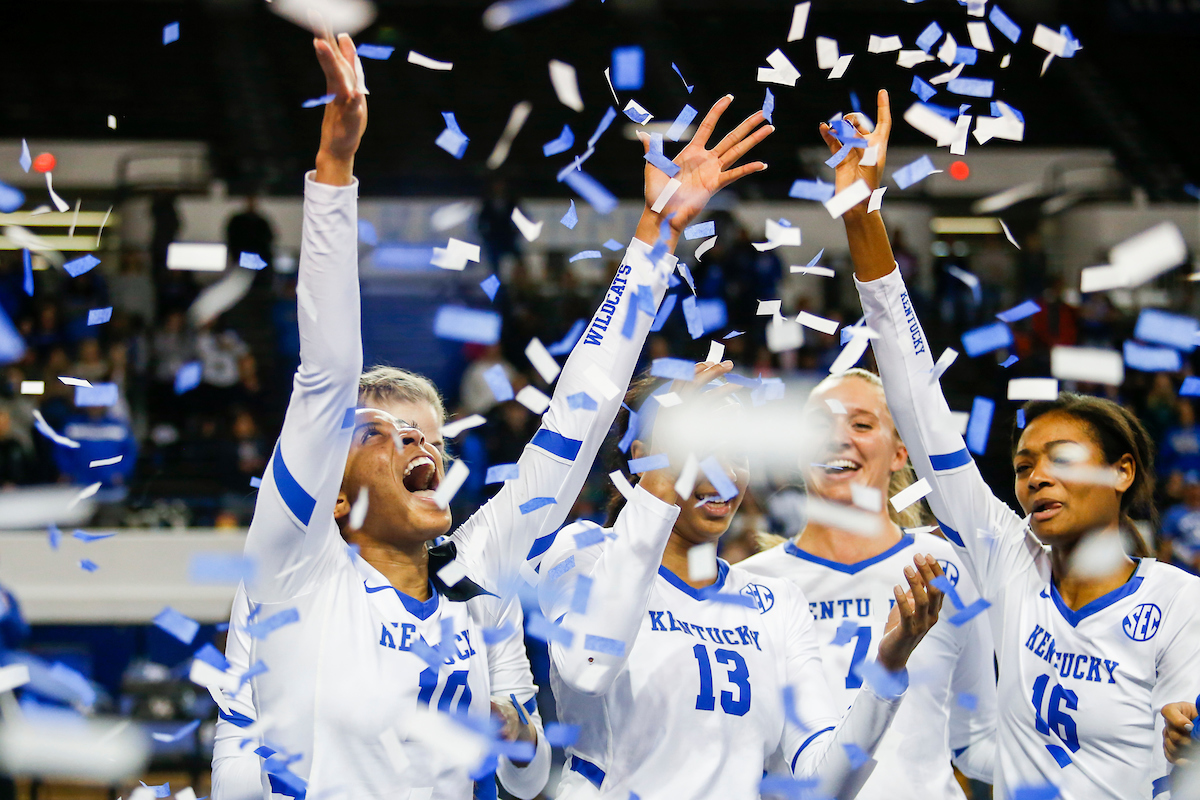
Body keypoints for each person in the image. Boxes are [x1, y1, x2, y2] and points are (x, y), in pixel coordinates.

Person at [214, 30, 775, 800]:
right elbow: (325, 375)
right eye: (384, 434)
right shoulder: (297, 570)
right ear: (333, 496)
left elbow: (574, 424)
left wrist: (657, 238)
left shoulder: (471, 579)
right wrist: (335, 170)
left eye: (427, 435)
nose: (418, 443)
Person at [828, 89, 1200, 799]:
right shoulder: (1009, 560)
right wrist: (862, 216)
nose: (1035, 478)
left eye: (1061, 459)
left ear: (1123, 472)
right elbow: (918, 402)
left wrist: (1188, 746)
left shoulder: (1182, 602)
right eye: (1024, 465)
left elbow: (1184, 742)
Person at [537, 362, 946, 800]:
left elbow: (824, 787)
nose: (727, 475)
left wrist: (888, 667)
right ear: (642, 456)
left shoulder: (776, 602)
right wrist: (662, 475)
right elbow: (589, 666)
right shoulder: (582, 553)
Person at [739, 368, 997, 799]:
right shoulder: (752, 585)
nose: (838, 438)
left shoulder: (946, 569)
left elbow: (975, 740)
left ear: (899, 453)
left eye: (861, 424)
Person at [1159, 472, 1200, 575]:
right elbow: (1166, 545)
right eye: (1191, 488)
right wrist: (1191, 558)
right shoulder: (1173, 513)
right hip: (1183, 569)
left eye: (1197, 488)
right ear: (1184, 490)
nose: (1195, 492)